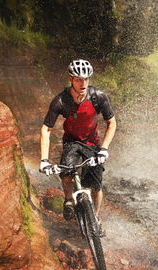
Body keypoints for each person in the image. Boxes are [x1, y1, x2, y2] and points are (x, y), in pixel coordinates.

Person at [40, 59, 116, 234]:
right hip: (71, 141)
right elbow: (46, 129)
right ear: (71, 79)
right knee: (66, 171)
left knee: (96, 186)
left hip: (93, 143)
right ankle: (68, 199)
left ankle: (95, 218)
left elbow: (112, 123)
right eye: (78, 79)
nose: (83, 83)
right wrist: (44, 160)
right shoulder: (61, 101)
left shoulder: (98, 97)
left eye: (86, 79)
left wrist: (104, 148)